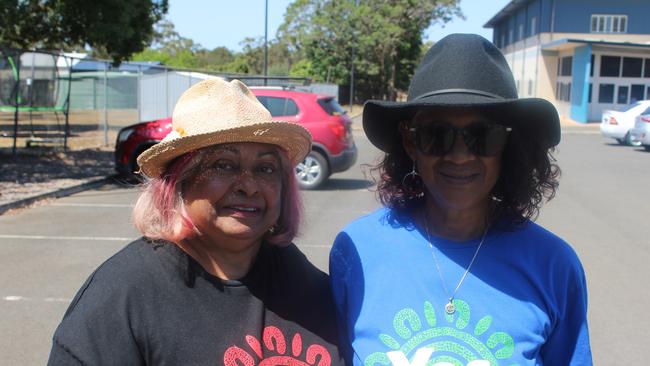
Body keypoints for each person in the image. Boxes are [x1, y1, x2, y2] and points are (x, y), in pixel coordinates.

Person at [330, 34, 592, 365]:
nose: (459, 156)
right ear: (410, 143)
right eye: (436, 135)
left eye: (482, 136)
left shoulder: (554, 266)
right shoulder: (356, 251)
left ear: (508, 146)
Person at [48, 79, 345, 365]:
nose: (249, 186)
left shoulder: (297, 276)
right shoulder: (122, 295)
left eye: (266, 168)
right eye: (224, 165)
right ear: (177, 182)